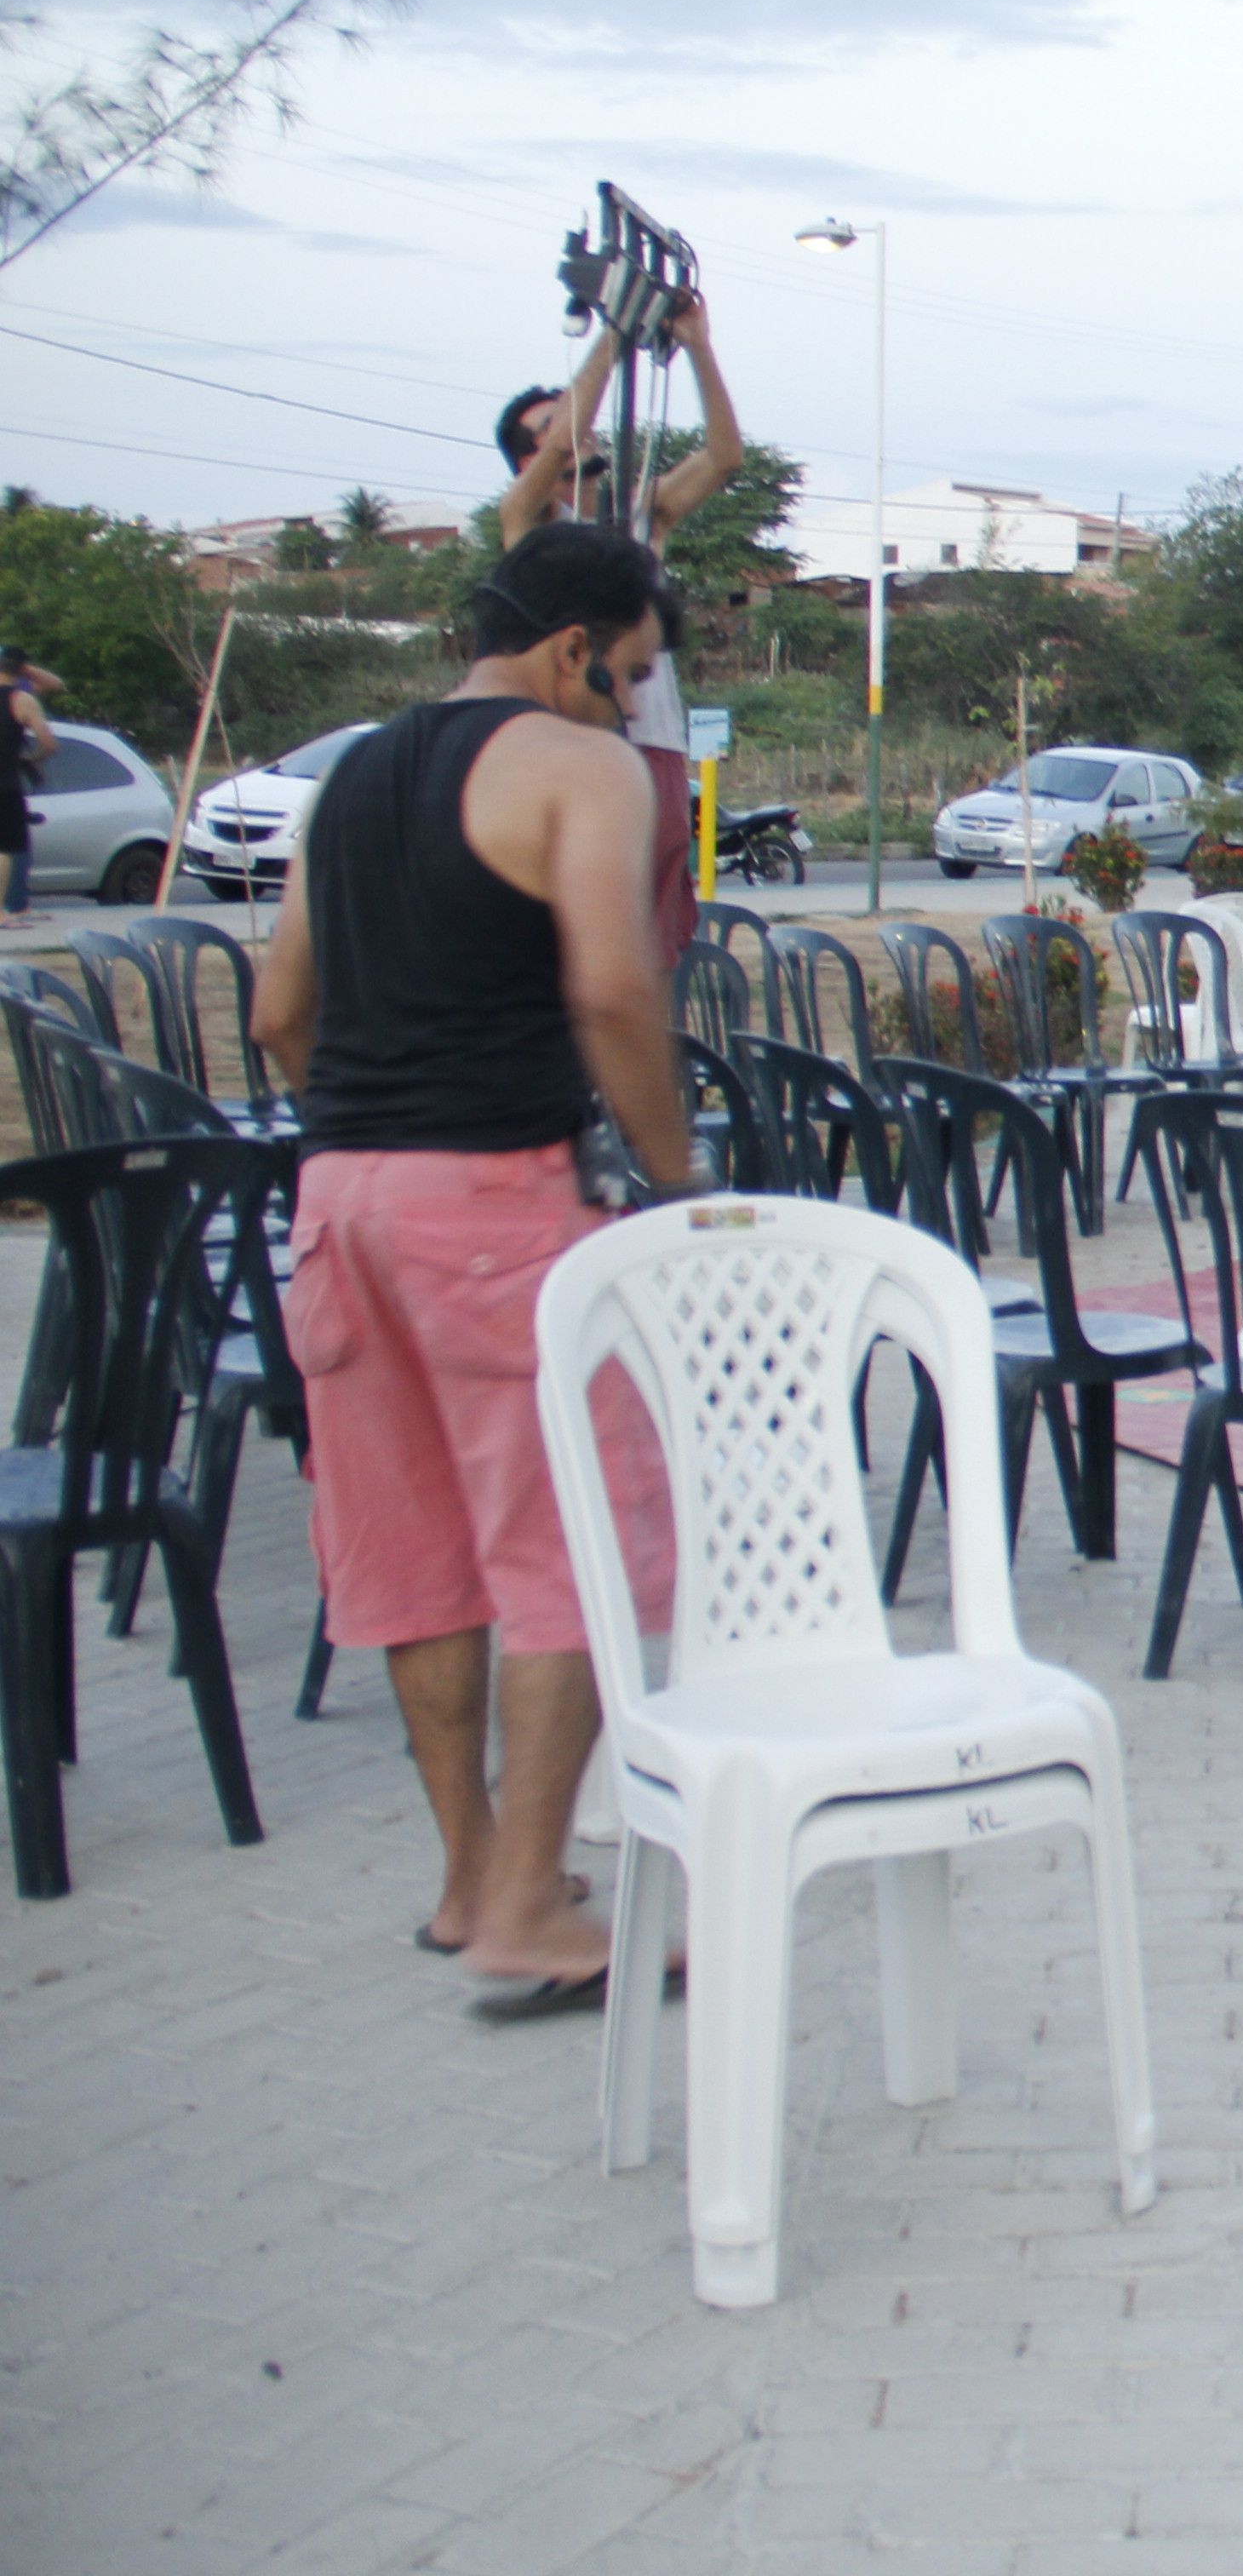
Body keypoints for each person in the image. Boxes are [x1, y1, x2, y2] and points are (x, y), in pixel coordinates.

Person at [250, 521, 695, 2014]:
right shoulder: (575, 769)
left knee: (414, 1556)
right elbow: (613, 993)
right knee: (575, 1543)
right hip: (498, 1200)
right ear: (575, 650)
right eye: (633, 675)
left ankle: (467, 1880)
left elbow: (280, 1013)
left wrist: (373, 1136)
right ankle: (525, 1914)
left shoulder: (353, 778)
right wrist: (679, 1186)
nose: (634, 709)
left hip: (341, 1200)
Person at [501, 290, 747, 964]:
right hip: (578, 744)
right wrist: (614, 332)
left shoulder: (636, 515)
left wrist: (697, 346)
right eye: (556, 423)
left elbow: (724, 457)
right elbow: (561, 445)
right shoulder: (527, 524)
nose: (580, 428)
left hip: (656, 744)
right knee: (584, 936)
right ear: (528, 460)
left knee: (656, 940)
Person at [0, 641, 47, 927]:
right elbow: (49, 743)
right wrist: (30, 760)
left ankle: (17, 907)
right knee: (6, 849)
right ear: (22, 670)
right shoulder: (22, 699)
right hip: (6, 784)